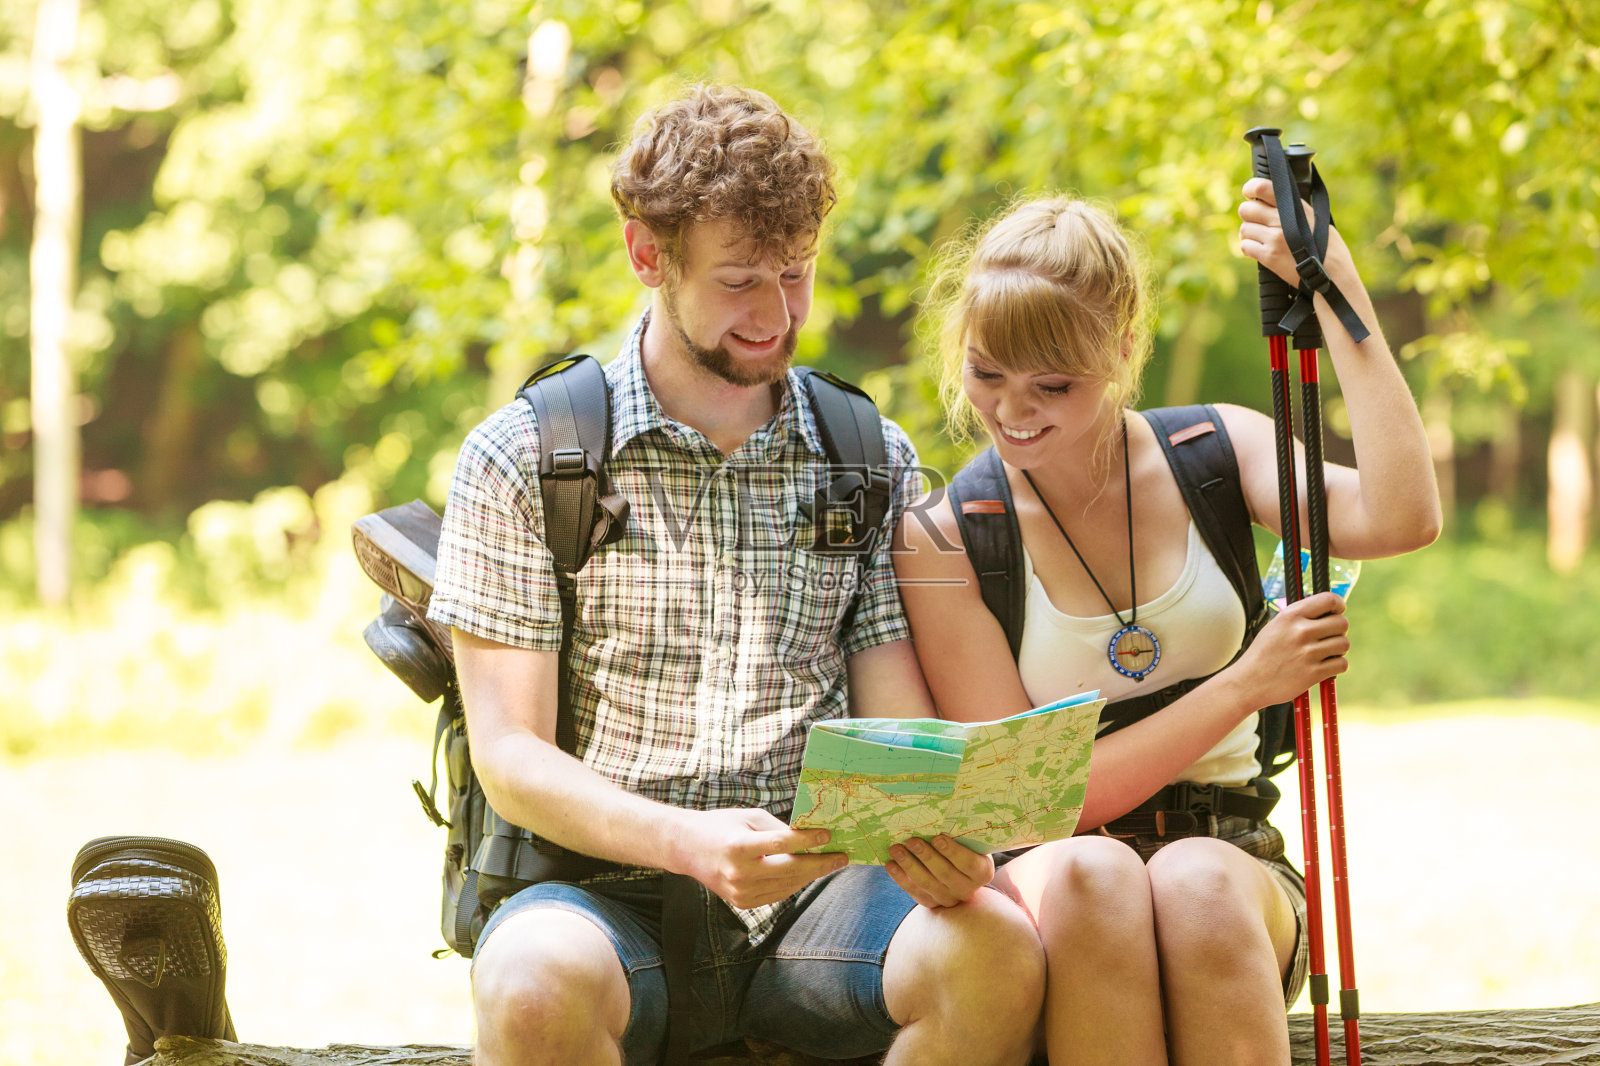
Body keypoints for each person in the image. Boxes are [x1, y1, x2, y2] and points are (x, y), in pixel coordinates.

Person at [427, 84, 1044, 1066]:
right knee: (529, 984)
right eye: (739, 280)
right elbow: (511, 756)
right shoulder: (527, 456)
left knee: (996, 949)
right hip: (600, 898)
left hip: (820, 900)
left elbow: (892, 723)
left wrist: (934, 830)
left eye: (795, 275)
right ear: (647, 255)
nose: (774, 313)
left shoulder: (864, 454)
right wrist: (686, 840)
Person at [892, 189, 1442, 1065]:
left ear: (1120, 349)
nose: (1012, 411)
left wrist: (1333, 285)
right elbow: (1027, 803)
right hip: (1061, 869)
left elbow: (1402, 515)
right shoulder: (944, 536)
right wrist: (1248, 683)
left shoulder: (1216, 453)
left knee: (1197, 882)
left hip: (1232, 855)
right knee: (1097, 873)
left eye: (1052, 384)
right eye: (987, 374)